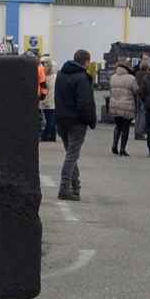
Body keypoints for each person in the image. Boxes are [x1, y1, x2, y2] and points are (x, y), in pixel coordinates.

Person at [53, 50, 98, 200]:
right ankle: (65, 188)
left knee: (71, 154)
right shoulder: (82, 78)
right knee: (72, 156)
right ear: (86, 62)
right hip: (76, 122)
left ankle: (75, 186)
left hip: (61, 120)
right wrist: (89, 120)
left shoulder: (61, 75)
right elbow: (84, 103)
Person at [106, 59, 139, 156]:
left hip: (115, 104)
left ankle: (114, 145)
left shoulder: (113, 77)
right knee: (125, 127)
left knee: (117, 126)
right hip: (127, 105)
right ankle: (122, 149)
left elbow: (110, 90)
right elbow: (136, 90)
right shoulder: (131, 78)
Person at [35, 53, 57, 143]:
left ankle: (46, 135)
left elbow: (50, 91)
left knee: (50, 120)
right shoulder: (47, 76)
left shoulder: (52, 77)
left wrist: (45, 100)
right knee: (50, 120)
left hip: (48, 102)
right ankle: (52, 136)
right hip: (45, 101)